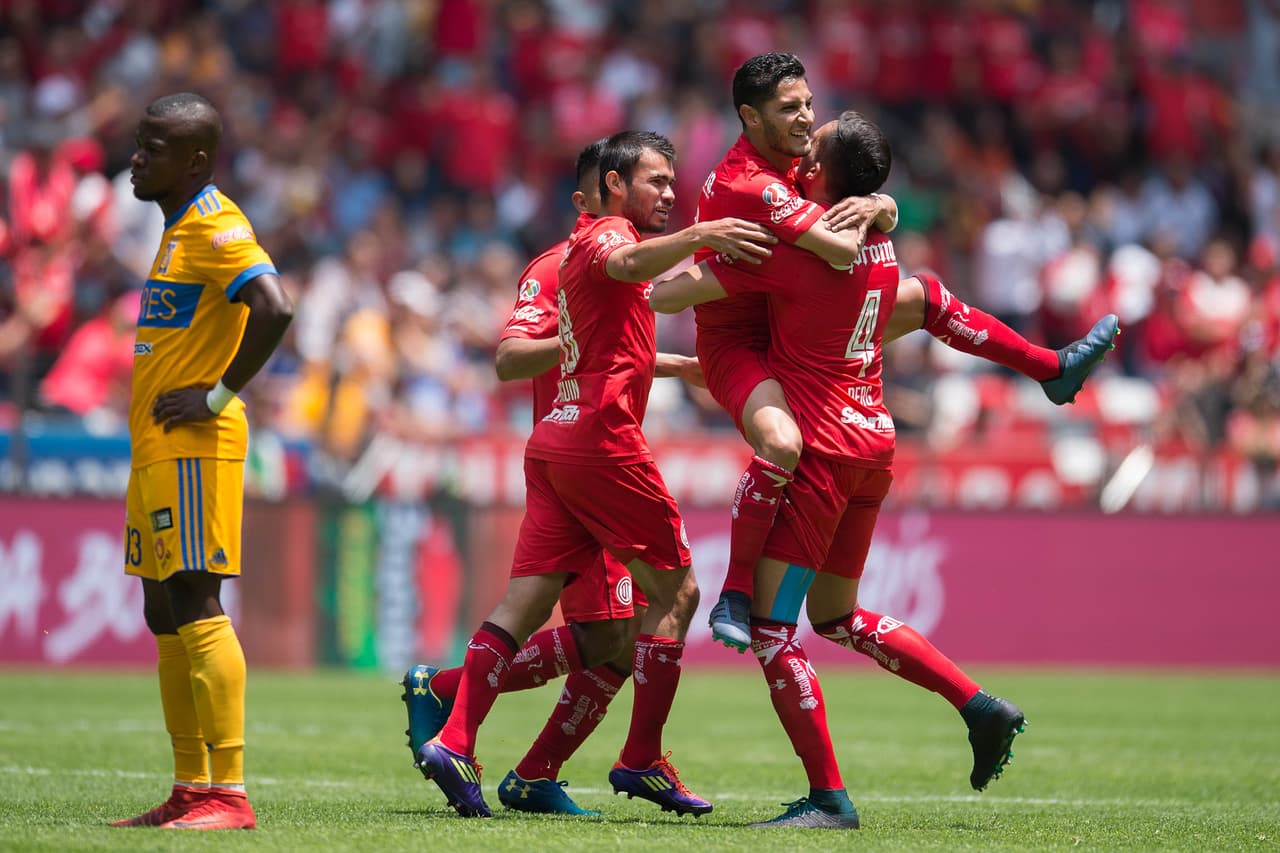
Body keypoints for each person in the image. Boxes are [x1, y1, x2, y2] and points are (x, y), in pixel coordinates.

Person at [652, 112, 1028, 828]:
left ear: (823, 177)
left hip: (822, 455)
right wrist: (883, 202)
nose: (800, 148)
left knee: (772, 631)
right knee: (839, 615)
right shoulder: (880, 242)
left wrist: (674, 262)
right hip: (875, 446)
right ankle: (979, 705)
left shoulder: (794, 252)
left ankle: (829, 797)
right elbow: (884, 225)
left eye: (811, 145)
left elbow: (669, 293)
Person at [694, 53, 1120, 652]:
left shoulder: (790, 163)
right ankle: (734, 592)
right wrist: (877, 208)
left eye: (808, 105)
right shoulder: (752, 183)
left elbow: (858, 210)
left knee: (924, 297)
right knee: (782, 443)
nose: (804, 117)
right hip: (741, 343)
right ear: (749, 116)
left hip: (790, 319)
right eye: (790, 109)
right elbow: (836, 252)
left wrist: (879, 203)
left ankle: (1050, 368)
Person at [413, 130, 776, 818]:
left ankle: (456, 737)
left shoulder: (602, 250)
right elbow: (613, 270)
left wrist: (679, 367)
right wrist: (711, 231)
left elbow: (605, 346)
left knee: (530, 608)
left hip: (560, 440)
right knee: (674, 596)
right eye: (655, 181)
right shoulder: (605, 236)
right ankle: (641, 756)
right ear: (610, 187)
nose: (669, 193)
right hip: (603, 444)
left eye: (675, 183)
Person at [110, 93, 293, 831]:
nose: (137, 157)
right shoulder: (179, 229)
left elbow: (275, 306)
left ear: (194, 161)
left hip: (196, 443)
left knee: (195, 599)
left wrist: (217, 397)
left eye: (153, 147)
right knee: (163, 608)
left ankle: (230, 791)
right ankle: (191, 786)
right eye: (139, 143)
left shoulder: (216, 223)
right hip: (157, 446)